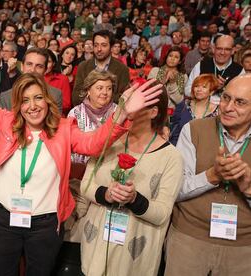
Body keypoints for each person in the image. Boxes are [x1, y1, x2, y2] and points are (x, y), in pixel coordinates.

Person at [0, 19, 163, 276]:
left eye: (38, 97)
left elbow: (95, 143)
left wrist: (123, 112)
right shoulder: (6, 121)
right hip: (5, 219)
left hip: (45, 225)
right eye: (25, 100)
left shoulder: (64, 129)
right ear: (17, 104)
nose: (33, 105)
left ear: (48, 101)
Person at [80, 81, 183, 276]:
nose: (125, 111)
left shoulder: (171, 157)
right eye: (124, 103)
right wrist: (106, 194)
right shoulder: (109, 141)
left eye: (133, 105)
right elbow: (85, 185)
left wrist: (134, 199)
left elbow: (162, 213)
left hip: (133, 257)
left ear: (153, 112)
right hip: (96, 248)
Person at [166, 74, 251, 276]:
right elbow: (174, 189)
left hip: (243, 250)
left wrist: (248, 189)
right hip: (189, 240)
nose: (228, 107)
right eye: (226, 98)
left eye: (240, 102)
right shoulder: (194, 130)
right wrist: (212, 175)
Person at [68, 70, 117, 164]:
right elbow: (69, 147)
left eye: (109, 88)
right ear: (88, 90)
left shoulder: (118, 112)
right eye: (100, 88)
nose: (105, 92)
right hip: (80, 169)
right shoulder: (75, 113)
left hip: (109, 167)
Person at [73, 30, 130, 106]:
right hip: (86, 113)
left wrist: (95, 97)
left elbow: (123, 98)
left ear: (111, 47)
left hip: (113, 115)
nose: (99, 49)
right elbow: (75, 97)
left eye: (104, 45)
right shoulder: (83, 67)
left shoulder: (122, 69)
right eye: (96, 45)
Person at [0, 47, 63, 114]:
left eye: (39, 66)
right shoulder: (6, 97)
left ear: (45, 70)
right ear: (22, 66)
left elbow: (54, 123)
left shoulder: (55, 95)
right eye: (29, 64)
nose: (33, 70)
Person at [185, 35, 244, 100]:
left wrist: (224, 89)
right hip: (201, 108)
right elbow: (187, 90)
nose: (222, 53)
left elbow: (242, 96)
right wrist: (211, 88)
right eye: (219, 48)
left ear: (233, 50)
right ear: (213, 48)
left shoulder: (240, 70)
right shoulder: (201, 65)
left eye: (227, 49)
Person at [170, 74, 219, 145]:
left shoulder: (218, 111)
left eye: (204, 87)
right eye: (196, 86)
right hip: (181, 147)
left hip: (205, 150)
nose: (199, 89)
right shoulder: (184, 106)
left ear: (211, 92)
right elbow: (174, 130)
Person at [45, 50, 71, 116]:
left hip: (56, 116)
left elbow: (66, 104)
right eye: (42, 62)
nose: (45, 65)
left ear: (53, 63)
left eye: (48, 62)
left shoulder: (62, 79)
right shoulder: (35, 78)